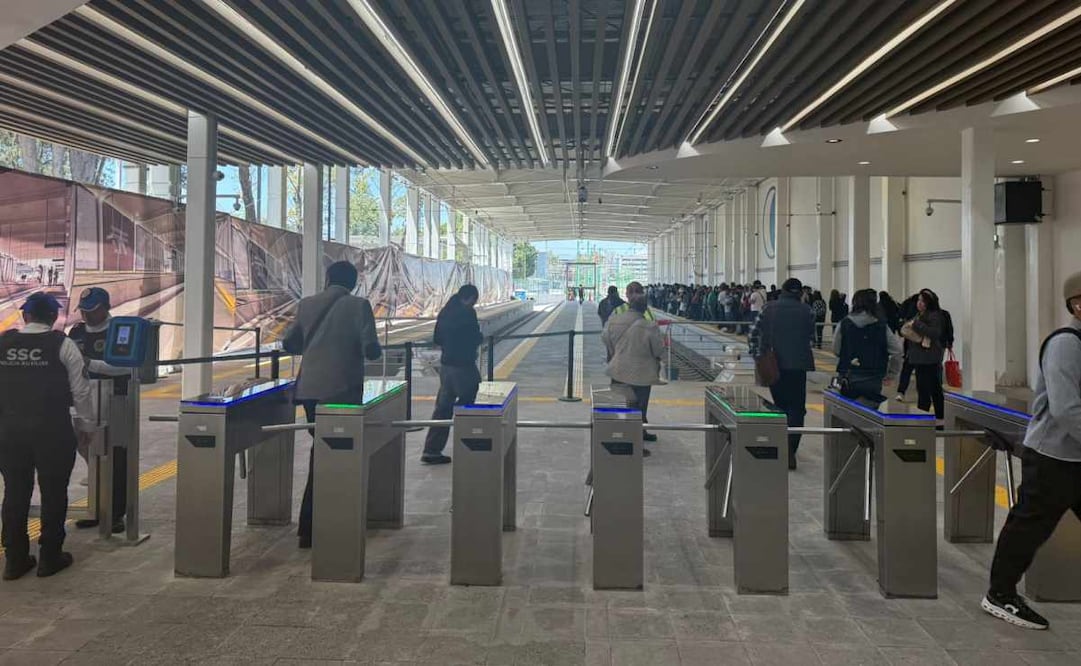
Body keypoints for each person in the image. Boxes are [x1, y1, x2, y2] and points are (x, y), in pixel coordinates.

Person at [981, 271, 1081, 631]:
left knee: (1029, 524)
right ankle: (1000, 594)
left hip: (1077, 456)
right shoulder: (1066, 344)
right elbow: (1066, 408)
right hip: (1054, 457)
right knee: (1029, 526)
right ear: (1077, 304)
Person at [282, 261, 381, 549]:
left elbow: (290, 343)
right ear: (353, 283)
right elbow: (371, 349)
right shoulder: (359, 306)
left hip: (310, 390)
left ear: (327, 279)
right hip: (342, 389)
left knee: (321, 449)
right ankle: (324, 524)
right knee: (335, 454)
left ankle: (309, 527)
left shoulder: (307, 304)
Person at [1, 292, 96, 579]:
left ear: (26, 316)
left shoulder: (3, 342)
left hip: (8, 432)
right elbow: (81, 390)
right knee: (54, 492)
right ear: (54, 317)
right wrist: (86, 427)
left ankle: (15, 559)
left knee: (15, 492)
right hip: (52, 431)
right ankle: (50, 557)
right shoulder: (62, 344)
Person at [67, 287, 130, 534]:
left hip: (117, 399)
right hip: (86, 400)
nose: (86, 315)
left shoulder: (120, 329)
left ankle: (115, 513)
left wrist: (90, 363)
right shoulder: (77, 332)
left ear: (105, 307)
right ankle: (95, 508)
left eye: (91, 310)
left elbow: (125, 366)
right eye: (83, 310)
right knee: (91, 455)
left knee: (116, 456)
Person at [750, 278, 815, 469]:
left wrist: (758, 356)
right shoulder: (807, 311)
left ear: (783, 291)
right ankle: (790, 451)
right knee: (796, 408)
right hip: (798, 366)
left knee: (780, 406)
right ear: (800, 292)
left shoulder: (769, 308)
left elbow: (753, 335)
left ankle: (779, 446)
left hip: (773, 364)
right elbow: (811, 337)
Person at [422, 284, 484, 465]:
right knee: (467, 406)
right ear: (470, 298)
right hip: (463, 366)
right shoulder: (467, 313)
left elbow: (437, 339)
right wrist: (476, 339)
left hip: (446, 367)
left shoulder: (445, 311)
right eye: (473, 301)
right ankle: (468, 443)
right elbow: (474, 337)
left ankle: (431, 450)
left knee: (442, 409)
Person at [603, 294, 663, 451]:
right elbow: (658, 350)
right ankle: (635, 442)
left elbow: (605, 338)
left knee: (624, 405)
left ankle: (624, 437)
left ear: (629, 304)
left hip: (618, 370)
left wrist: (615, 353)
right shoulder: (649, 326)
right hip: (641, 373)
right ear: (644, 308)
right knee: (639, 408)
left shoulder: (614, 320)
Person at [832, 289, 902, 403]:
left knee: (846, 411)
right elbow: (897, 351)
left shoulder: (844, 323)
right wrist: (891, 374)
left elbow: (836, 349)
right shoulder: (882, 326)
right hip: (874, 377)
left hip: (848, 376)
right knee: (870, 412)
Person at [901, 289, 947, 420]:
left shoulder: (934, 316)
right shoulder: (919, 314)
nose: (919, 303)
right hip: (920, 358)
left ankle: (931, 418)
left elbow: (934, 333)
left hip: (929, 359)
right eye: (919, 300)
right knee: (923, 388)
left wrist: (916, 324)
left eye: (923, 301)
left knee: (931, 389)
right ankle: (926, 417)